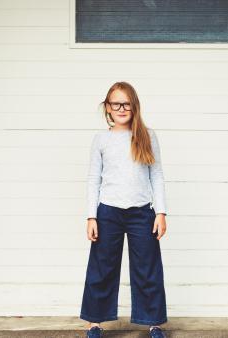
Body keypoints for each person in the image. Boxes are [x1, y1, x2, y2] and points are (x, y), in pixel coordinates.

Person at [79, 81, 168, 338]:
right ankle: (94, 323)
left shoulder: (148, 136)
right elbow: (93, 179)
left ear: (134, 106)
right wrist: (91, 216)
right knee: (101, 268)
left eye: (126, 103)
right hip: (108, 212)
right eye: (115, 103)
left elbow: (157, 175)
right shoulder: (101, 139)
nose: (121, 108)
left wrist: (160, 212)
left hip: (142, 213)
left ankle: (154, 323)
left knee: (148, 268)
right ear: (107, 107)